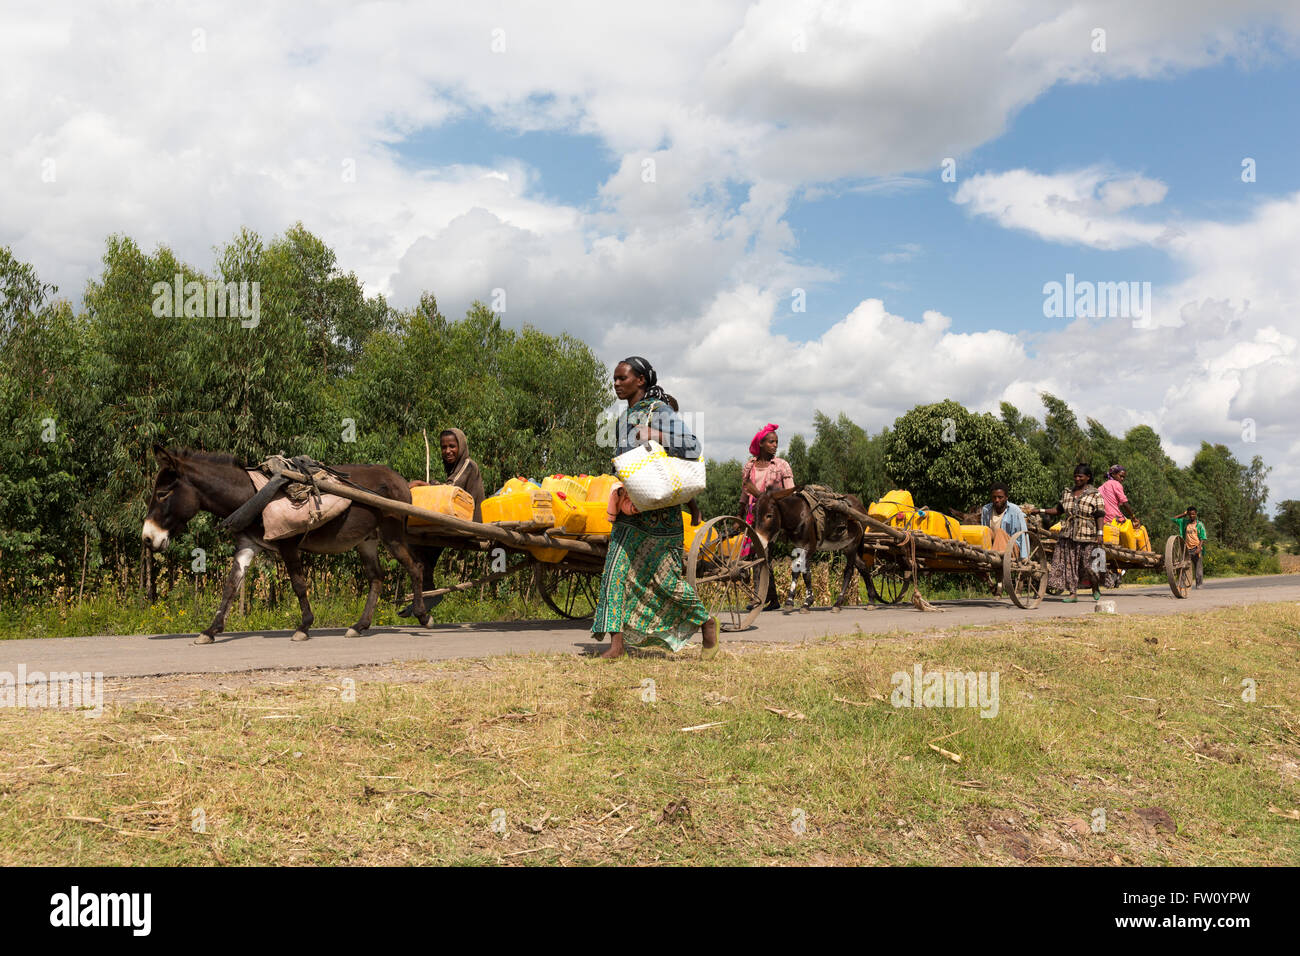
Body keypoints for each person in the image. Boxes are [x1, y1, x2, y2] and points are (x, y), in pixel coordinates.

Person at [592, 357, 716, 660]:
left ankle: (706, 623)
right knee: (615, 571)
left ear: (641, 381)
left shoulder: (658, 412)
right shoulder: (624, 418)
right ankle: (617, 645)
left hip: (660, 513)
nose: (617, 384)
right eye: (614, 380)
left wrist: (656, 435)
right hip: (630, 508)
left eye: (622, 378)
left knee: (666, 580)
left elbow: (692, 446)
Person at [399, 427, 486, 618]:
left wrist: (423, 484)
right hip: (454, 520)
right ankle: (425, 595)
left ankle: (426, 596)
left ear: (461, 446)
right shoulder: (453, 467)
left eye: (452, 446)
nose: (447, 451)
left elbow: (450, 489)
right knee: (416, 541)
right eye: (444, 447)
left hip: (470, 522)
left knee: (421, 541)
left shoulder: (468, 464)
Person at [1024, 463, 1107, 602]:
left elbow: (1099, 514)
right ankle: (1072, 593)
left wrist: (1100, 533)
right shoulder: (1067, 493)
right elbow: (1058, 510)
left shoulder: (1095, 494)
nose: (1077, 479)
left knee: (1089, 565)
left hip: (1088, 534)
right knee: (1070, 565)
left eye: (1080, 476)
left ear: (1088, 477)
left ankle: (1095, 587)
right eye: (1075, 476)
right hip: (1068, 534)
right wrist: (1040, 510)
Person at [740, 423, 794, 610]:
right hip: (752, 516)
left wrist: (766, 498)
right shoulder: (749, 467)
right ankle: (774, 599)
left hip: (772, 517)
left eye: (776, 442)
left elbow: (789, 493)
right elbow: (744, 495)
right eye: (771, 442)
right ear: (760, 444)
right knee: (761, 556)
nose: (775, 445)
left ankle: (757, 598)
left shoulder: (781, 466)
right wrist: (738, 519)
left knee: (759, 553)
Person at [980, 482, 1030, 559]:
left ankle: (994, 557)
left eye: (1000, 497)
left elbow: (1023, 535)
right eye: (994, 497)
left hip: (1011, 548)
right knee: (985, 531)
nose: (997, 500)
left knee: (999, 532)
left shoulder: (1015, 511)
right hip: (991, 546)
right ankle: (986, 555)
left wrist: (1024, 557)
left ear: (1006, 497)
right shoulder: (986, 510)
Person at [1172, 506, 1207, 588]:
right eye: (1190, 514)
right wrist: (1183, 514)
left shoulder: (1199, 524)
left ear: (1196, 514)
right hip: (1186, 549)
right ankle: (1182, 583)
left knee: (1198, 567)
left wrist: (1199, 548)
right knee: (1184, 566)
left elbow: (1203, 537)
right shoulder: (1184, 522)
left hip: (1196, 548)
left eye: (1193, 514)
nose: (1192, 516)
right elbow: (1173, 519)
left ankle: (1199, 584)